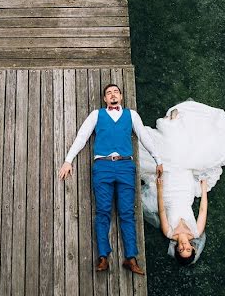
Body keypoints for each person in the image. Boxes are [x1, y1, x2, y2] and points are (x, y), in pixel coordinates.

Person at [58, 83, 164, 275]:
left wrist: (158, 160)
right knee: (103, 211)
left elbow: (144, 137)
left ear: (121, 97)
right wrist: (68, 160)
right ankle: (103, 257)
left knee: (126, 213)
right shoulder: (96, 115)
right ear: (105, 99)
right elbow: (82, 137)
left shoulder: (131, 115)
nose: (113, 95)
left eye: (116, 92)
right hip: (103, 167)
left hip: (125, 166)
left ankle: (131, 258)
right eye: (109, 93)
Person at [138, 101, 225, 263]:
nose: (184, 246)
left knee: (169, 161)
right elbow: (203, 209)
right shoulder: (196, 231)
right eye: (188, 249)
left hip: (168, 192)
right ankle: (173, 126)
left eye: (181, 249)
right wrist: (203, 188)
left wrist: (160, 186)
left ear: (176, 249)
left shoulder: (168, 232)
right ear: (193, 247)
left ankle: (171, 126)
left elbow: (162, 209)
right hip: (186, 190)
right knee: (184, 161)